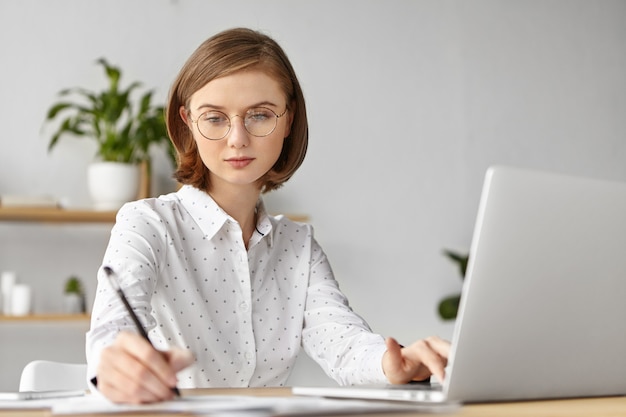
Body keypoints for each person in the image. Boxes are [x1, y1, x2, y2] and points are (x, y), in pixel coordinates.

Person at [86, 27, 450, 404]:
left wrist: (394, 364)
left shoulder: (298, 246)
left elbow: (342, 342)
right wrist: (114, 363)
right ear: (187, 122)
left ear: (288, 120)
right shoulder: (147, 223)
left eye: (260, 115)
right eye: (214, 118)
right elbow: (113, 327)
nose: (238, 138)